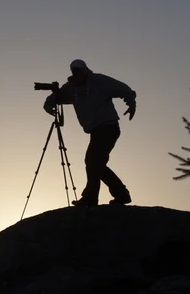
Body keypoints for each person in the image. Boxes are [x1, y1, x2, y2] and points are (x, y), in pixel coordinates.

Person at [43, 59, 137, 206]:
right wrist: (49, 105)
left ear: (85, 69)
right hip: (96, 130)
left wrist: (131, 102)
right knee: (96, 164)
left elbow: (123, 88)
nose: (76, 73)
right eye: (74, 71)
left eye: (78, 70)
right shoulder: (72, 88)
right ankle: (121, 194)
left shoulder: (99, 81)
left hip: (108, 127)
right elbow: (56, 97)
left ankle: (91, 197)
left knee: (93, 161)